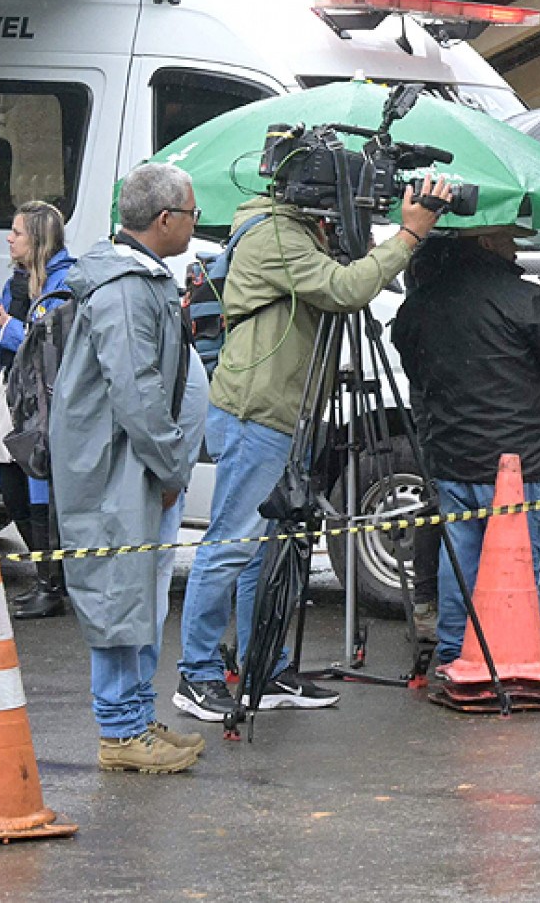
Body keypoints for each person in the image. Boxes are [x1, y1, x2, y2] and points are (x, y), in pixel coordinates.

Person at [173, 173, 453, 723]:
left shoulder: (299, 231)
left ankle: (265, 668)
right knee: (232, 542)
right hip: (259, 411)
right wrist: (410, 234)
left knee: (272, 549)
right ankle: (197, 673)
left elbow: (341, 279)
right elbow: (347, 289)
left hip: (284, 411)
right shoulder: (274, 234)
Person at [49, 163, 211, 773]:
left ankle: (137, 718)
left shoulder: (140, 279)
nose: (197, 223)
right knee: (119, 596)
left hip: (135, 470)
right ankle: (121, 732)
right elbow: (138, 392)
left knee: (139, 595)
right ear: (165, 219)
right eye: (192, 213)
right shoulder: (123, 288)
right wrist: (171, 467)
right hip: (118, 471)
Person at [392, 228, 540, 672]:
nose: (516, 248)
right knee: (516, 564)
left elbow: (411, 361)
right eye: (510, 240)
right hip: (518, 462)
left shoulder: (421, 303)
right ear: (489, 244)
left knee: (460, 559)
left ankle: (457, 651)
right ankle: (511, 649)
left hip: (453, 454)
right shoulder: (524, 299)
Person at [0, 200, 73, 619]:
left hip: (48, 407)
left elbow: (48, 346)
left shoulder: (64, 282)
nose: (9, 238)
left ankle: (51, 586)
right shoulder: (20, 281)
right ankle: (47, 580)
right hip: (16, 398)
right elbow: (10, 339)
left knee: (39, 495)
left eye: (16, 232)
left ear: (36, 238)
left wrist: (5, 327)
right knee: (13, 491)